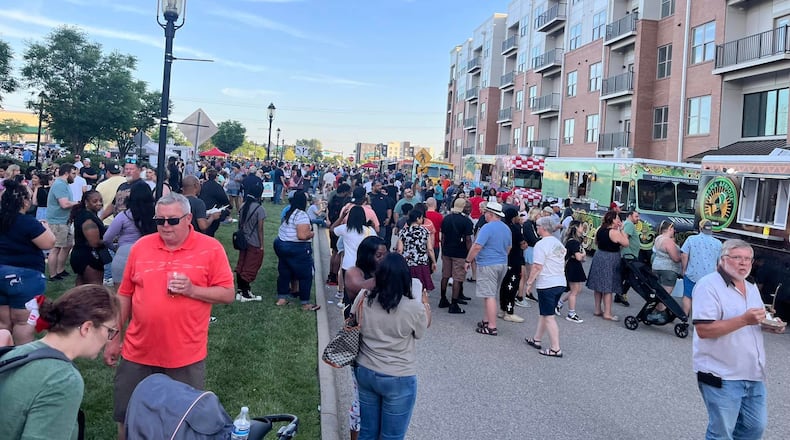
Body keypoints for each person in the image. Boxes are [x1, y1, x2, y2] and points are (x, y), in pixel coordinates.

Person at [103, 192, 235, 440]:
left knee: (183, 425)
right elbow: (125, 296)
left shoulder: (210, 249)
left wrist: (192, 290)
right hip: (137, 351)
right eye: (159, 220)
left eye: (172, 220)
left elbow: (228, 294)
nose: (165, 226)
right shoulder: (142, 246)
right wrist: (113, 337)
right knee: (127, 417)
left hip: (184, 354)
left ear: (188, 219)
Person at [0, 284, 120, 440]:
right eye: (109, 330)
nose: (108, 339)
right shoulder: (62, 380)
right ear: (87, 328)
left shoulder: (17, 353)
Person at [693, 239, 784, 440]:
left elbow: (755, 320)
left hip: (753, 374)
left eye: (748, 259)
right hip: (721, 374)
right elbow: (704, 330)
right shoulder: (708, 286)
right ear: (723, 259)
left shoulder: (751, 288)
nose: (744, 263)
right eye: (737, 258)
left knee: (754, 429)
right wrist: (744, 319)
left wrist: (768, 325)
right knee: (722, 433)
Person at [354, 253, 430, 440]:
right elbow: (420, 333)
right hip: (398, 375)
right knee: (391, 436)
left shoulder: (365, 297)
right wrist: (426, 304)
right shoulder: (413, 307)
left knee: (367, 432)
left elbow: (355, 320)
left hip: (365, 369)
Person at [0, 179, 55, 344]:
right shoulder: (28, 222)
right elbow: (48, 243)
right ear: (24, 201)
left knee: (3, 323)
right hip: (25, 276)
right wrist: (46, 227)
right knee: (23, 322)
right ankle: (21, 361)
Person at [465, 201, 511, 336]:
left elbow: (477, 246)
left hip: (488, 264)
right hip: (502, 263)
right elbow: (509, 247)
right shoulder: (506, 228)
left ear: (490, 214)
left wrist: (468, 260)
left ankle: (492, 326)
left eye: (485, 212)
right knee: (490, 293)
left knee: (489, 295)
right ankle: (486, 320)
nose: (484, 214)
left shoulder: (487, 228)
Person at [524, 216, 567, 357]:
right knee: (545, 313)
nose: (536, 228)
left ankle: (556, 348)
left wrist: (529, 283)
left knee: (548, 316)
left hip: (547, 283)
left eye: (537, 226)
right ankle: (537, 339)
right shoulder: (558, 243)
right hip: (560, 281)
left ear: (542, 228)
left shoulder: (541, 245)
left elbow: (537, 267)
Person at [273, 191, 320, 311]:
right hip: (297, 248)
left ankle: (282, 298)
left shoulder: (289, 212)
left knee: (284, 272)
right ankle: (305, 303)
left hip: (281, 245)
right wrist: (312, 233)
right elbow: (302, 236)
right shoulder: (302, 215)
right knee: (305, 275)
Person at [103, 183, 157, 287]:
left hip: (124, 254)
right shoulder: (155, 216)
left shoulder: (123, 216)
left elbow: (106, 238)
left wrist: (115, 248)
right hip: (148, 255)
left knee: (121, 297)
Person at [585, 210, 629, 321]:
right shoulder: (614, 232)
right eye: (618, 218)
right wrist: (622, 230)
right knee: (607, 286)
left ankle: (597, 309)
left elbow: (596, 242)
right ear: (613, 220)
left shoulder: (600, 229)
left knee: (598, 285)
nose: (619, 220)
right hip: (610, 258)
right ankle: (608, 313)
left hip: (599, 255)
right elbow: (626, 243)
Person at [680, 219, 722, 316]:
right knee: (704, 299)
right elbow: (720, 262)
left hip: (692, 274)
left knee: (688, 296)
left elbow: (684, 255)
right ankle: (699, 320)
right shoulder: (718, 243)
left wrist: (684, 269)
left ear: (700, 228)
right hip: (709, 277)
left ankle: (684, 319)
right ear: (711, 230)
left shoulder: (691, 239)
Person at [439, 198, 474, 314]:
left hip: (447, 250)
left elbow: (442, 237)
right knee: (457, 278)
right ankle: (454, 303)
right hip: (460, 252)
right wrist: (470, 253)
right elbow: (468, 239)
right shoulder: (466, 221)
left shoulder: (446, 219)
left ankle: (443, 298)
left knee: (445, 275)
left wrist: (443, 250)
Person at [235, 183, 267, 302]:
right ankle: (246, 293)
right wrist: (262, 244)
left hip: (243, 240)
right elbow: (260, 229)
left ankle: (240, 290)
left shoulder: (243, 206)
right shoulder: (260, 209)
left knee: (241, 264)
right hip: (254, 242)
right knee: (251, 266)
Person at [647, 220, 683, 323]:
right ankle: (659, 313)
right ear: (670, 229)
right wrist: (683, 257)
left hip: (657, 266)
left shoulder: (658, 238)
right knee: (665, 294)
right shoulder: (668, 241)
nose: (674, 231)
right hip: (668, 269)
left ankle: (655, 309)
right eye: (673, 229)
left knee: (659, 291)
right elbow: (675, 258)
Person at [46, 164, 78, 281]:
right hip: (57, 221)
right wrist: (79, 203)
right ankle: (53, 275)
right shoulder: (60, 185)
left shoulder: (64, 184)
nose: (75, 177)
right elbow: (64, 204)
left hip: (64, 221)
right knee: (56, 248)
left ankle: (60, 270)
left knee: (68, 245)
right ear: (66, 173)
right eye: (73, 174)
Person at [69, 190, 107, 286]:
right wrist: (110, 239)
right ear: (86, 202)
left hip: (79, 254)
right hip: (89, 256)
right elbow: (94, 242)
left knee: (81, 289)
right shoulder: (88, 218)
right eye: (95, 201)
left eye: (100, 200)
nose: (99, 203)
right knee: (95, 289)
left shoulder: (82, 214)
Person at [396, 208, 436, 292]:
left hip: (407, 262)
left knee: (407, 288)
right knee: (422, 289)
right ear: (417, 218)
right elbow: (429, 249)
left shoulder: (404, 231)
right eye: (421, 218)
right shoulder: (424, 231)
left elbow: (399, 250)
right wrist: (434, 261)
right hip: (422, 263)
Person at [555, 220, 587, 323]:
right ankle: (571, 313)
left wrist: (582, 255)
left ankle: (559, 303)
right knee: (574, 291)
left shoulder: (575, 241)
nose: (583, 229)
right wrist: (583, 255)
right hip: (572, 266)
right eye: (582, 226)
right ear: (577, 228)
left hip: (574, 266)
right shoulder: (573, 242)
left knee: (576, 290)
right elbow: (578, 257)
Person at [498, 207, 526, 323]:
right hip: (514, 260)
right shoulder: (515, 229)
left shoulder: (502, 227)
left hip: (504, 259)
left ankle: (502, 309)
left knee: (504, 285)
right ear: (514, 217)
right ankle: (509, 312)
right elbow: (523, 245)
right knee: (512, 286)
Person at [617, 210, 641, 306]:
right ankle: (622, 293)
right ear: (630, 216)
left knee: (624, 275)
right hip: (629, 255)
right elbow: (624, 238)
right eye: (636, 216)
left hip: (628, 254)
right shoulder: (629, 224)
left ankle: (618, 294)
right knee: (631, 277)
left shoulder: (627, 224)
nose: (638, 219)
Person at [199, 169, 231, 236]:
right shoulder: (218, 187)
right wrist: (229, 205)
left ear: (207, 176)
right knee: (211, 231)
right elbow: (224, 199)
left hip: (202, 210)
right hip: (213, 211)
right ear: (216, 177)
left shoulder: (203, 185)